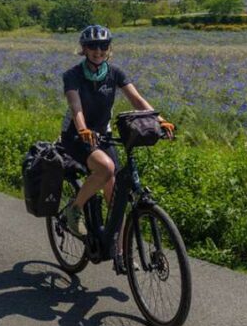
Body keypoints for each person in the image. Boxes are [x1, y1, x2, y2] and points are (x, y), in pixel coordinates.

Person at [59, 25, 174, 236]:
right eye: (92, 46)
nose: (98, 50)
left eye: (103, 45)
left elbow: (137, 100)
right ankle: (74, 209)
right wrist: (83, 129)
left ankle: (120, 255)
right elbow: (76, 107)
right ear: (83, 48)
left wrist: (160, 120)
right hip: (76, 136)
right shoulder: (73, 75)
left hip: (103, 135)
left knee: (117, 198)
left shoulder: (114, 73)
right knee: (106, 168)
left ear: (109, 48)